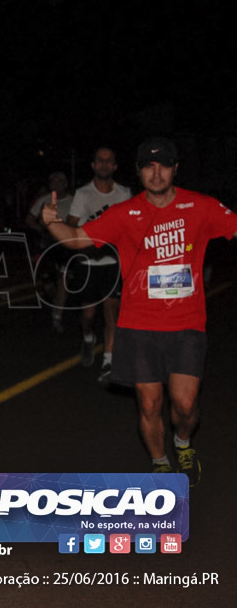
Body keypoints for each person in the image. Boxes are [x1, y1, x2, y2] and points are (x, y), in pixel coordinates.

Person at [42, 137, 237, 486]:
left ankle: (182, 442)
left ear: (175, 169)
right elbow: (75, 239)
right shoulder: (124, 213)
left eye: (163, 164)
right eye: (148, 165)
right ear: (139, 171)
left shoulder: (200, 206)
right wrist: (50, 222)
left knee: (185, 405)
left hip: (187, 324)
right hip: (139, 326)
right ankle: (160, 462)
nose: (156, 171)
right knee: (149, 405)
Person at [66, 146, 131, 382]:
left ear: (114, 166)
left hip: (113, 262)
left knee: (111, 311)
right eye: (100, 161)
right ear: (93, 165)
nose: (104, 164)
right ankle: (87, 338)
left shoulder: (124, 194)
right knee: (88, 314)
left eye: (109, 161)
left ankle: (108, 361)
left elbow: (131, 225)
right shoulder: (83, 194)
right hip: (88, 263)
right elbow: (70, 225)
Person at [25, 171, 74, 332]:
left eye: (60, 181)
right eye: (53, 181)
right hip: (46, 245)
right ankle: (57, 303)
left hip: (65, 247)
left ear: (65, 184)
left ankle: (57, 316)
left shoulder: (73, 201)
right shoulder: (44, 200)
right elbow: (29, 219)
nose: (56, 184)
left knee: (63, 280)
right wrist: (41, 228)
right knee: (46, 283)